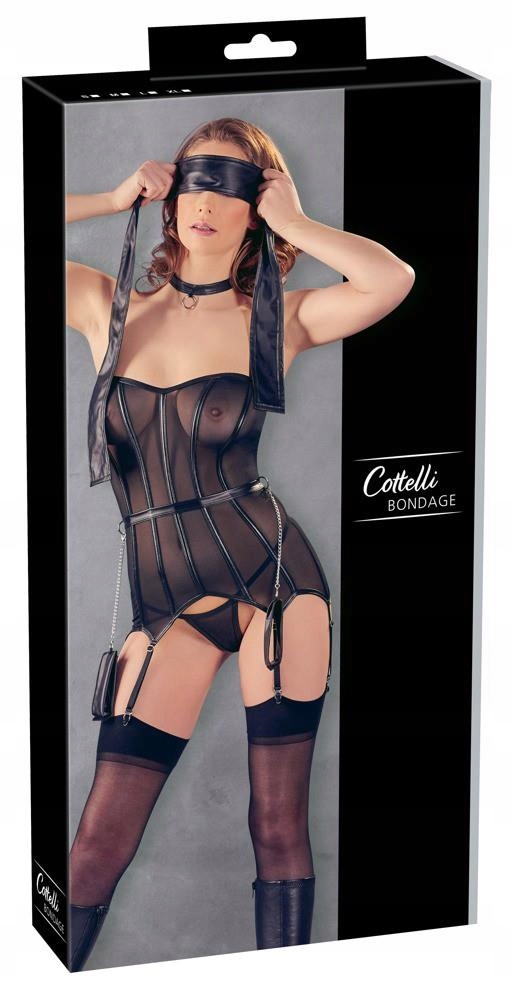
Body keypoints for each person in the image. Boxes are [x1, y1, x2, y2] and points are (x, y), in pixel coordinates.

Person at [65, 117, 415, 971]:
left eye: (231, 187)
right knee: (93, 849)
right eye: (194, 180)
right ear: (168, 197)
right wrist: (109, 198)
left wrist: (295, 221)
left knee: (275, 823)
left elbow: (391, 278)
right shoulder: (103, 306)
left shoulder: (280, 321)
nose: (205, 203)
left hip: (274, 586)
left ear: (256, 205)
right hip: (165, 606)